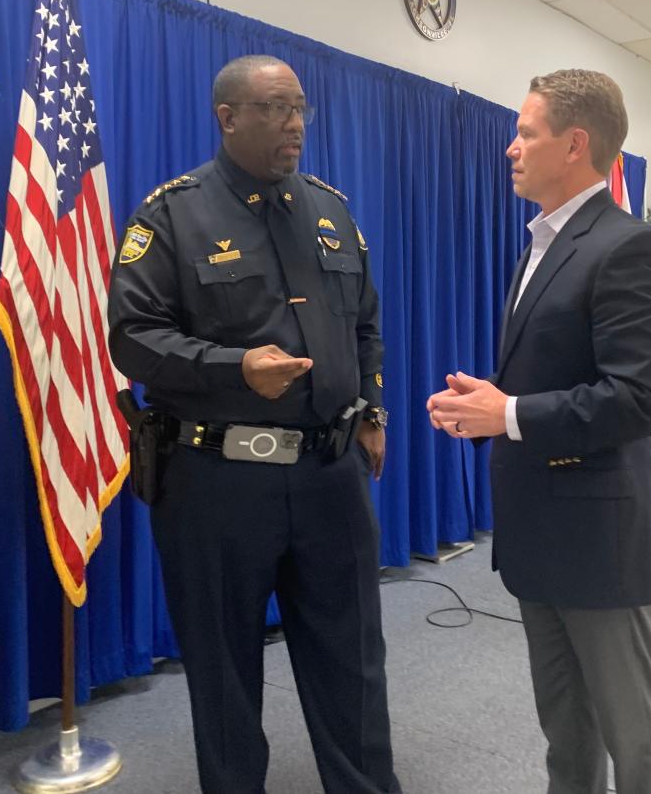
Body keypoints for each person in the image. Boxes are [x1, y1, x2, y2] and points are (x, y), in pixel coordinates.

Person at [107, 55, 399, 794]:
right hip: (217, 483)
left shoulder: (331, 210)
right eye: (273, 108)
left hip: (330, 475)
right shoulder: (172, 215)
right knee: (225, 670)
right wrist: (232, 367)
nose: (294, 123)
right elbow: (132, 337)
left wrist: (371, 407)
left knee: (353, 662)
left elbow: (365, 323)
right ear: (227, 117)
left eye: (299, 107)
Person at [426, 69, 651, 794]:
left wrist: (506, 415)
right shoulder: (539, 245)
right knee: (566, 735)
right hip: (541, 534)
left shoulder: (629, 247)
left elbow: (644, 399)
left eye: (525, 132)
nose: (511, 148)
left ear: (574, 145)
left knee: (635, 741)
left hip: (601, 542)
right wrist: (489, 405)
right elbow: (555, 380)